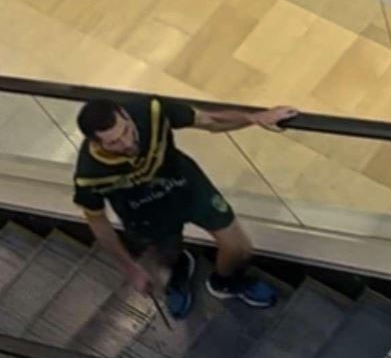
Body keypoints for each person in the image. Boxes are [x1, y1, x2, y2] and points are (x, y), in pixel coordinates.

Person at [73, 95, 297, 319]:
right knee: (166, 257)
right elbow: (99, 223)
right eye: (114, 142)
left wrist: (254, 118)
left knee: (239, 248)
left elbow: (209, 120)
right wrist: (130, 268)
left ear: (125, 115)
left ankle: (224, 282)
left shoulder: (152, 111)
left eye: (126, 130)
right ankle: (179, 270)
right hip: (144, 211)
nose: (127, 143)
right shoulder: (89, 175)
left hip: (185, 185)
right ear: (95, 142)